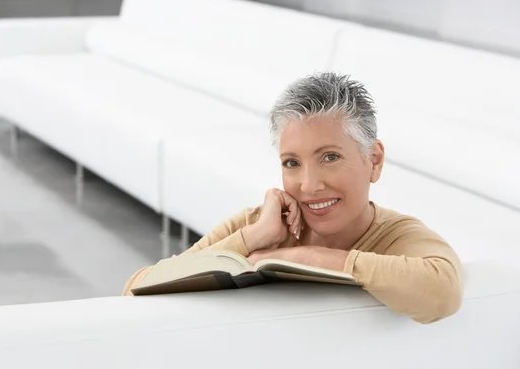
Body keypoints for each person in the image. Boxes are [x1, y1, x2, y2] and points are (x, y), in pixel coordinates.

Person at [123, 72, 463, 324]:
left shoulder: (398, 236)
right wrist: (251, 239)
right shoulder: (256, 224)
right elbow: (135, 290)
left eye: (330, 157)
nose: (309, 185)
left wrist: (309, 257)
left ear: (373, 161)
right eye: (292, 163)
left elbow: (443, 292)